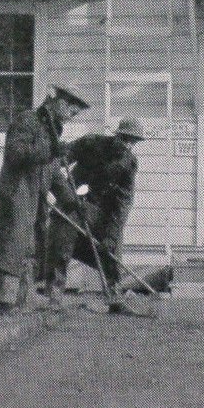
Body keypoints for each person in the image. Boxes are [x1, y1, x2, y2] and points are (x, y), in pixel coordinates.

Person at [0, 83, 90, 311]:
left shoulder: (53, 130)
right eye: (71, 111)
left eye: (74, 114)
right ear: (60, 102)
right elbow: (15, 153)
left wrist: (70, 199)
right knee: (12, 246)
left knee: (32, 247)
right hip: (17, 194)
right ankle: (3, 302)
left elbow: (53, 171)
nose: (70, 117)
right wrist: (50, 151)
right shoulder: (28, 120)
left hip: (35, 198)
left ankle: (22, 299)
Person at [41, 117, 145, 300]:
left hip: (101, 211)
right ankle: (54, 295)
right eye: (125, 139)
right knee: (60, 238)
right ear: (117, 136)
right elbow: (59, 159)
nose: (128, 145)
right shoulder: (91, 143)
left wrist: (111, 236)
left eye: (133, 142)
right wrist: (61, 188)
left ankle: (114, 297)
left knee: (112, 250)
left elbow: (123, 202)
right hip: (72, 201)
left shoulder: (129, 163)